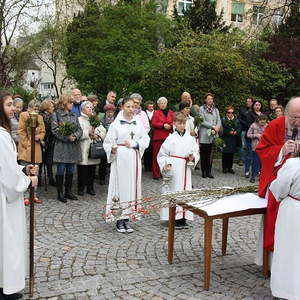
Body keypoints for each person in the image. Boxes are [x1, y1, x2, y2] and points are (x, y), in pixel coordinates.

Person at [0, 91, 38, 300]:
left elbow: (6, 167)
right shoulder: (2, 136)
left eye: (12, 104)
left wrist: (22, 170)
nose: (13, 108)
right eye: (8, 105)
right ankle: (7, 287)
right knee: (8, 238)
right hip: (4, 199)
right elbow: (7, 176)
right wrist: (27, 181)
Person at [255, 97, 300, 258]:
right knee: (275, 220)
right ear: (287, 113)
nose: (297, 121)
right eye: (294, 117)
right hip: (277, 180)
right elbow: (262, 150)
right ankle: (271, 262)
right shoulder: (276, 125)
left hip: (297, 182)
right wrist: (281, 150)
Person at [103, 97, 150, 233]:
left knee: (131, 187)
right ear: (122, 107)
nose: (131, 109)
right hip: (120, 158)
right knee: (120, 187)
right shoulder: (115, 124)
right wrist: (112, 149)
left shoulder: (138, 123)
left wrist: (135, 144)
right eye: (128, 106)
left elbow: (145, 139)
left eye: (133, 107)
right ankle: (119, 218)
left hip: (133, 159)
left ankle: (128, 218)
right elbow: (108, 142)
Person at [157, 112, 199, 228]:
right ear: (174, 123)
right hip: (174, 169)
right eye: (179, 123)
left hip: (185, 168)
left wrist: (193, 157)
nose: (182, 125)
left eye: (184, 123)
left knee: (185, 191)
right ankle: (173, 217)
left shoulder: (190, 139)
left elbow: (196, 152)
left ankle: (183, 217)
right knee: (173, 190)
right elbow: (162, 154)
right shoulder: (170, 139)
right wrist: (166, 164)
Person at [268, 157, 300, 300]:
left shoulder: (293, 164)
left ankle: (285, 290)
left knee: (287, 249)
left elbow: (279, 188)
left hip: (292, 212)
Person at [52, 94, 83, 203]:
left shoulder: (74, 115)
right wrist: (66, 137)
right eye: (70, 103)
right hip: (62, 147)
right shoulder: (56, 114)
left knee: (71, 169)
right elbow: (55, 130)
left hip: (73, 146)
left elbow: (80, 129)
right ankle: (60, 193)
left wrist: (75, 136)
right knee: (61, 169)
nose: (72, 105)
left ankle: (68, 191)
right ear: (64, 103)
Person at [18, 100, 45, 205]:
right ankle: (25, 196)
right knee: (25, 172)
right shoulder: (23, 115)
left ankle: (34, 195)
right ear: (29, 107)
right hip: (26, 148)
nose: (36, 110)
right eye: (34, 108)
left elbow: (43, 131)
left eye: (37, 109)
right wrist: (27, 144)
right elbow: (21, 131)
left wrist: (40, 136)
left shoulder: (40, 117)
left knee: (35, 172)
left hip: (37, 147)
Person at [78, 101, 106, 196]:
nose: (90, 109)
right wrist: (87, 133)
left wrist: (97, 135)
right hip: (83, 146)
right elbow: (78, 132)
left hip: (93, 146)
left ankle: (90, 187)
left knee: (92, 169)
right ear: (82, 109)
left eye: (91, 107)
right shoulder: (79, 120)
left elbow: (103, 131)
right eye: (87, 107)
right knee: (82, 169)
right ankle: (81, 188)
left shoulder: (95, 119)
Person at [198, 93, 221, 179]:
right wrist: (212, 126)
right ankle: (204, 171)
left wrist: (217, 127)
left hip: (213, 133)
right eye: (208, 99)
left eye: (211, 99)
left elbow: (219, 120)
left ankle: (209, 171)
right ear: (205, 100)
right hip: (205, 133)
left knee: (210, 154)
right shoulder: (201, 109)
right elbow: (201, 121)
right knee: (204, 153)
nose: (210, 100)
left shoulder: (216, 110)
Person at [151, 97, 174, 180]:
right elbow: (154, 122)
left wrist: (170, 125)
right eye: (161, 103)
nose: (163, 104)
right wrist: (163, 125)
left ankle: (165, 172)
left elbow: (174, 121)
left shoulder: (171, 112)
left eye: (164, 103)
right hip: (158, 137)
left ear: (166, 104)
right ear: (158, 104)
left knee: (167, 156)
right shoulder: (156, 112)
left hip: (169, 137)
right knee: (156, 156)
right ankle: (156, 173)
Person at [247, 114, 268, 183]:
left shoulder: (267, 125)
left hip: (264, 147)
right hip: (255, 147)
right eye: (262, 122)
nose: (263, 123)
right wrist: (256, 135)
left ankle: (261, 176)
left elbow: (269, 136)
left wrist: (264, 136)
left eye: (264, 122)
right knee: (255, 162)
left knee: (263, 163)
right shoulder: (253, 125)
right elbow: (248, 134)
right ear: (258, 120)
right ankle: (253, 176)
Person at [40, 99, 56, 186]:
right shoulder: (41, 116)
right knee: (40, 160)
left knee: (50, 161)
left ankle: (51, 178)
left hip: (50, 140)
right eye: (51, 106)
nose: (53, 107)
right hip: (42, 140)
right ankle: (39, 178)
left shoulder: (53, 115)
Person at [221, 106, 241, 174]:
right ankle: (224, 167)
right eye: (229, 112)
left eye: (232, 112)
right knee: (225, 153)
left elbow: (239, 127)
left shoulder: (236, 120)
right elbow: (221, 130)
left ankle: (230, 167)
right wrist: (228, 132)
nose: (231, 114)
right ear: (226, 113)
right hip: (226, 138)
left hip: (233, 139)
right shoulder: (223, 120)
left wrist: (237, 132)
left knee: (231, 154)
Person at [238, 97, 254, 176]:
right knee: (243, 145)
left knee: (252, 146)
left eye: (249, 101)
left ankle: (250, 160)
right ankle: (242, 159)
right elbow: (239, 119)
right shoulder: (242, 109)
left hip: (253, 130)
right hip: (244, 129)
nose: (248, 103)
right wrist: (246, 123)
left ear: (252, 102)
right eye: (247, 101)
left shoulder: (254, 110)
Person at [143, 101, 155, 172]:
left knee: (153, 149)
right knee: (146, 148)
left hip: (154, 133)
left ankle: (152, 165)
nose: (151, 107)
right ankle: (147, 166)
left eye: (152, 106)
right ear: (147, 106)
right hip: (146, 132)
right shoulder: (144, 113)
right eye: (149, 106)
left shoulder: (156, 112)